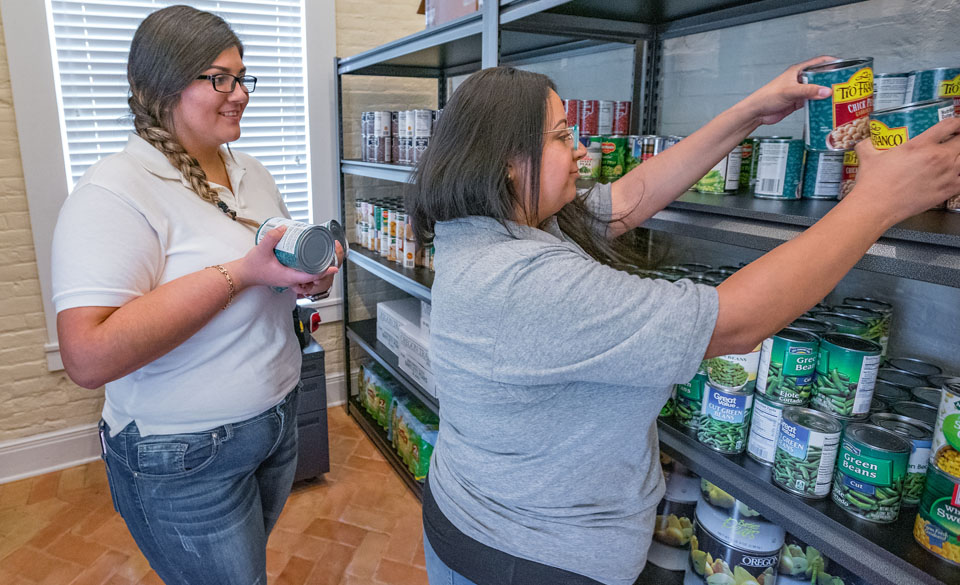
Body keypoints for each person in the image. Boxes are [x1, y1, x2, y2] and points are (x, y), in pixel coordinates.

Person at [406, 64, 960, 585]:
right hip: (524, 559)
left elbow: (627, 197)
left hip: (481, 517)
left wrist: (751, 113)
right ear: (507, 158)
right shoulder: (520, 282)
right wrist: (879, 201)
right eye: (560, 135)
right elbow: (737, 321)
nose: (583, 148)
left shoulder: (495, 229)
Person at [51, 6, 340, 584]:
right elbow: (88, 356)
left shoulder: (251, 171)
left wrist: (306, 280)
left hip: (275, 422)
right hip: (183, 458)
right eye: (219, 78)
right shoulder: (113, 192)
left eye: (242, 77)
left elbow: (270, 274)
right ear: (159, 86)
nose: (239, 95)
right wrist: (242, 272)